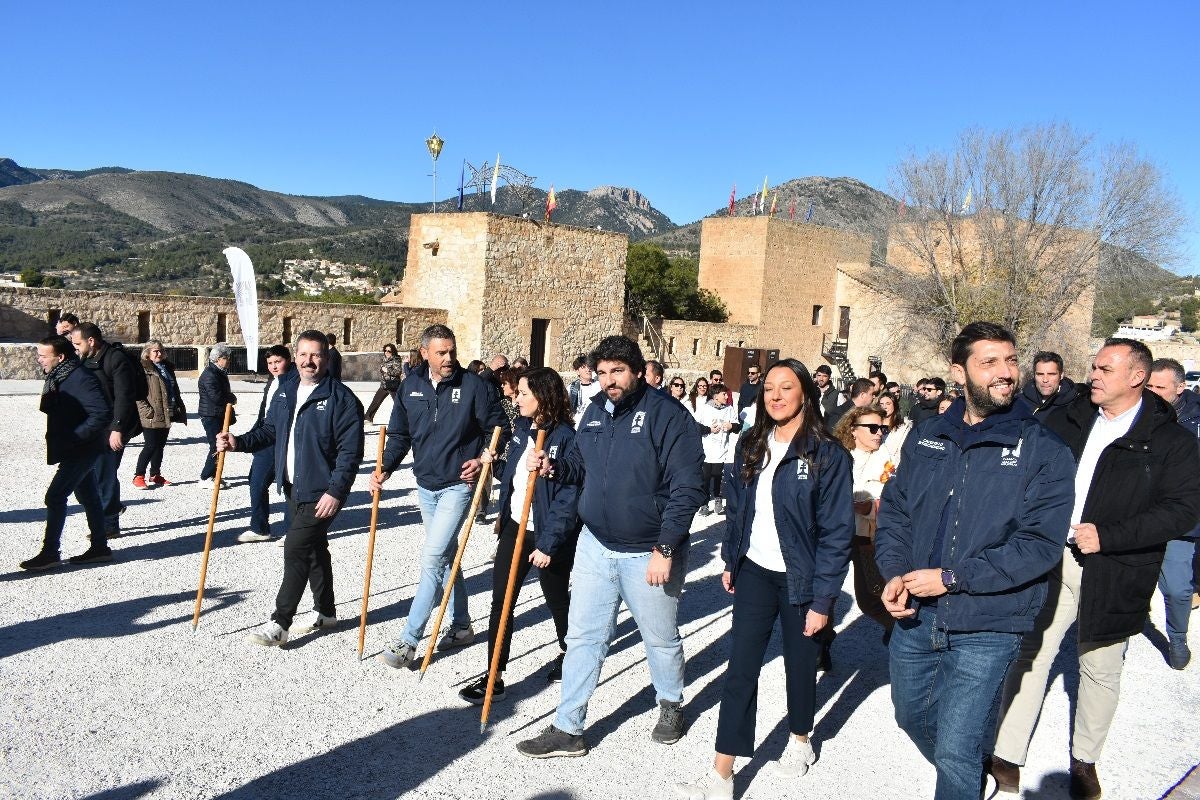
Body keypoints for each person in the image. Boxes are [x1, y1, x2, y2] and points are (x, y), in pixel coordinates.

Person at [988, 339, 1200, 800]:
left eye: (1106, 368)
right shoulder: (1069, 418)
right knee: (1032, 652)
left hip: (1118, 568)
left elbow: (1182, 511)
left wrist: (1111, 535)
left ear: (1137, 377)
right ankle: (1006, 755)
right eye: (1095, 367)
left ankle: (1085, 762)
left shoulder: (1172, 441)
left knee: (1100, 668)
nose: (1094, 375)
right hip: (1054, 557)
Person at [875, 321, 1075, 800]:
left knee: (957, 748)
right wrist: (895, 576)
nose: (1006, 372)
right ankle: (967, 775)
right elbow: (897, 514)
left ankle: (962, 778)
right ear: (958, 372)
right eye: (989, 362)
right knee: (910, 717)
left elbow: (1039, 545)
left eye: (1010, 360)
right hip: (917, 616)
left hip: (989, 622)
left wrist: (951, 578)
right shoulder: (926, 437)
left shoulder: (1043, 450)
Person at [516, 335, 704, 759]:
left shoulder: (669, 416)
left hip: (648, 551)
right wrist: (552, 466)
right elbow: (581, 465)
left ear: (638, 371)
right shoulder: (596, 411)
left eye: (617, 371)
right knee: (584, 636)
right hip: (596, 546)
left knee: (659, 638)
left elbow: (687, 488)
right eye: (601, 373)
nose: (608, 381)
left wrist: (666, 548)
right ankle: (569, 727)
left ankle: (671, 704)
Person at [674, 359, 853, 799]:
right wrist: (731, 559)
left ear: (805, 395)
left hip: (802, 577)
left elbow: (836, 533)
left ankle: (800, 740)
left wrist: (823, 600)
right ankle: (722, 772)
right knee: (741, 669)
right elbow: (739, 510)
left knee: (799, 664)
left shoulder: (827, 454)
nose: (774, 395)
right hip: (755, 570)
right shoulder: (752, 444)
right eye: (769, 387)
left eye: (785, 387)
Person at [372, 324, 509, 668]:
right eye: (441, 353)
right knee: (446, 557)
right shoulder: (410, 386)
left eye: (452, 351)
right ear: (424, 354)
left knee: (432, 559)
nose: (449, 358)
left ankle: (408, 639)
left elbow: (498, 429)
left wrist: (482, 458)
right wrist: (385, 467)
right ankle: (462, 626)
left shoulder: (474, 386)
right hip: (425, 484)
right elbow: (401, 434)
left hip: (457, 486)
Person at [217, 330, 364, 646]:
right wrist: (238, 442)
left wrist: (336, 491)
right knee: (313, 550)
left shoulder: (343, 400)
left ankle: (280, 622)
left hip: (322, 492)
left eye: (316, 355)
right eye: (303, 354)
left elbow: (351, 453)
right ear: (295, 356)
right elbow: (270, 430)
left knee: (295, 547)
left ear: (326, 357)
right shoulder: (284, 390)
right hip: (293, 487)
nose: (309, 361)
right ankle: (326, 612)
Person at [458, 368, 581, 704]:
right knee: (502, 600)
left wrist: (548, 543)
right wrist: (490, 463)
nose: (516, 398)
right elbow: (512, 476)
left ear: (543, 396)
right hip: (516, 526)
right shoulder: (521, 430)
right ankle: (494, 676)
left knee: (555, 597)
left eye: (523, 393)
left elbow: (569, 498)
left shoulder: (566, 438)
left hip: (547, 533)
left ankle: (571, 652)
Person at [20, 336, 113, 570]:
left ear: (60, 357)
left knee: (55, 496)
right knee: (89, 496)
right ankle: (100, 548)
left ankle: (50, 552)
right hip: (73, 448)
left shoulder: (81, 378)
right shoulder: (59, 375)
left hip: (82, 449)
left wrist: (76, 436)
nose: (39, 360)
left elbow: (101, 413)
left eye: (43, 355)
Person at [1146, 358, 1200, 668]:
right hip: (1138, 514)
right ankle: (1120, 637)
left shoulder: (1195, 420)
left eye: (1160, 387)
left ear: (1180, 388)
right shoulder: (1136, 413)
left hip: (1181, 520)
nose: (1151, 392)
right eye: (1149, 385)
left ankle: (1178, 638)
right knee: (1126, 582)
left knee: (1178, 588)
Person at [70, 323, 141, 541]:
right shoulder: (84, 359)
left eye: (78, 344)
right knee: (82, 477)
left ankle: (109, 524)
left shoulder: (115, 359)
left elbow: (124, 397)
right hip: (92, 426)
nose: (76, 348)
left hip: (111, 428)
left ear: (91, 341)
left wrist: (117, 429)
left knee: (104, 474)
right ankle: (113, 506)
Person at [832, 406, 896, 642]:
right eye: (872, 428)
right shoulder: (837, 456)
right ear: (853, 430)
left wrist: (869, 506)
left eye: (882, 427)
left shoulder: (886, 458)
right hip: (834, 535)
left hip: (867, 538)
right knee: (824, 593)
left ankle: (900, 633)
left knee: (870, 596)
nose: (879, 432)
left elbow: (893, 497)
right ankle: (820, 649)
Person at [238, 345, 296, 544]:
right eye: (270, 363)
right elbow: (264, 413)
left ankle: (293, 532)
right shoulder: (272, 380)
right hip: (266, 437)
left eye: (277, 362)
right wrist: (252, 436)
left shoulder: (294, 381)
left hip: (283, 440)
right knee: (256, 480)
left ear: (288, 360)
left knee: (289, 484)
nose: (273, 366)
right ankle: (260, 527)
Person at [132, 341, 181, 489]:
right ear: (147, 353)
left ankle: (155, 474)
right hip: (152, 413)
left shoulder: (166, 368)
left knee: (160, 446)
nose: (159, 354)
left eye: (160, 351)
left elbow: (173, 389)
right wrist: (147, 411)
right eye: (155, 351)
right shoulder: (143, 369)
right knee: (151, 445)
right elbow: (137, 394)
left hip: (166, 411)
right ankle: (138, 475)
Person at [695, 382, 739, 516]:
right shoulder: (704, 408)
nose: (727, 396)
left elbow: (737, 426)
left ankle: (718, 498)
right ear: (715, 397)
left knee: (718, 475)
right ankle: (704, 503)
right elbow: (695, 425)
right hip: (707, 449)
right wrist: (709, 429)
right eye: (724, 394)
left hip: (721, 449)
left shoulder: (729, 409)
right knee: (706, 477)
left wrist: (731, 426)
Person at [198, 343, 237, 489]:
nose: (229, 361)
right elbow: (216, 396)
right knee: (216, 445)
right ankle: (205, 477)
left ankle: (215, 475)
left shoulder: (219, 372)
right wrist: (231, 398)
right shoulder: (210, 374)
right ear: (219, 358)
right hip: (211, 415)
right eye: (227, 358)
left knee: (221, 444)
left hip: (217, 414)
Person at [1018, 350, 1079, 416]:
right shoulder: (1019, 402)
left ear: (1061, 375)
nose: (1045, 380)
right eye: (1040, 374)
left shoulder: (1075, 406)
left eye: (1051, 374)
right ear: (1034, 375)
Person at [365, 344, 404, 424]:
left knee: (398, 403)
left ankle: (406, 419)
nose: (387, 352)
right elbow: (382, 368)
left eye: (389, 351)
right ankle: (368, 418)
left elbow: (398, 371)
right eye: (385, 350)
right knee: (376, 401)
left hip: (393, 385)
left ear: (393, 351)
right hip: (384, 384)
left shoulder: (396, 360)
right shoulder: (385, 359)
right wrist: (382, 369)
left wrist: (387, 371)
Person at [567, 355, 601, 420]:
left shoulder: (599, 386)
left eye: (589, 367)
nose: (588, 370)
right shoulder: (571, 388)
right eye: (583, 367)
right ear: (577, 371)